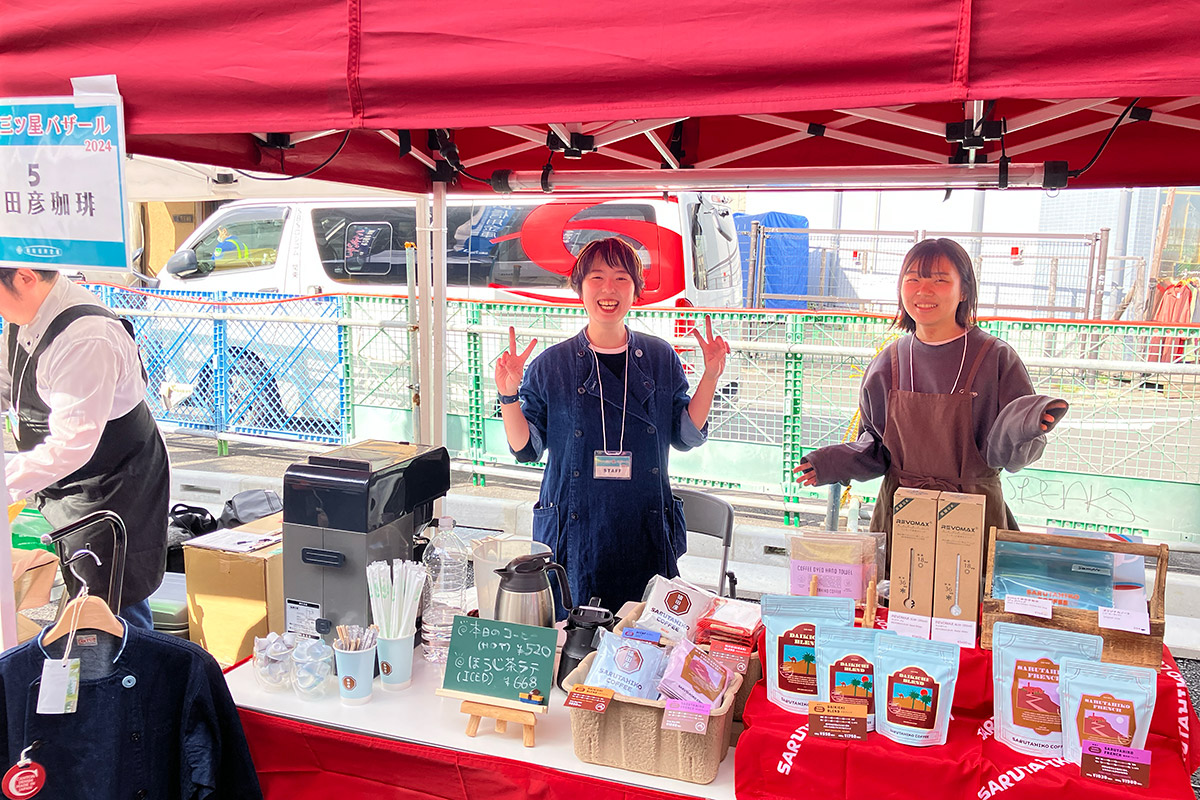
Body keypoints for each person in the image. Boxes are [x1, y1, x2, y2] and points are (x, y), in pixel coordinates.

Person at [495, 238, 729, 614]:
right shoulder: (552, 364)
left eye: (621, 278)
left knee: (643, 628)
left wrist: (711, 376)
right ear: (580, 288)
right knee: (574, 630)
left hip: (643, 522)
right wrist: (508, 395)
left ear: (636, 290)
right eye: (597, 277)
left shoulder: (660, 357)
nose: (609, 288)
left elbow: (685, 433)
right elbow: (526, 448)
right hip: (575, 529)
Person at [794, 238, 1068, 542]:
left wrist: (1027, 423)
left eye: (940, 280)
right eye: (913, 279)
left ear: (964, 291)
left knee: (970, 576)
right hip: (901, 514)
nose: (923, 291)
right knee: (895, 575)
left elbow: (1007, 454)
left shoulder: (996, 358)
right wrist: (830, 462)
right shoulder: (888, 361)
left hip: (973, 516)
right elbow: (875, 448)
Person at [0, 268, 169, 629]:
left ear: (25, 277)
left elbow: (71, 444)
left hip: (110, 482)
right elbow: (5, 381)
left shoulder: (86, 338)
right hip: (64, 476)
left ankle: (132, 660)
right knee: (83, 592)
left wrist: (6, 482)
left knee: (111, 598)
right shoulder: (25, 313)